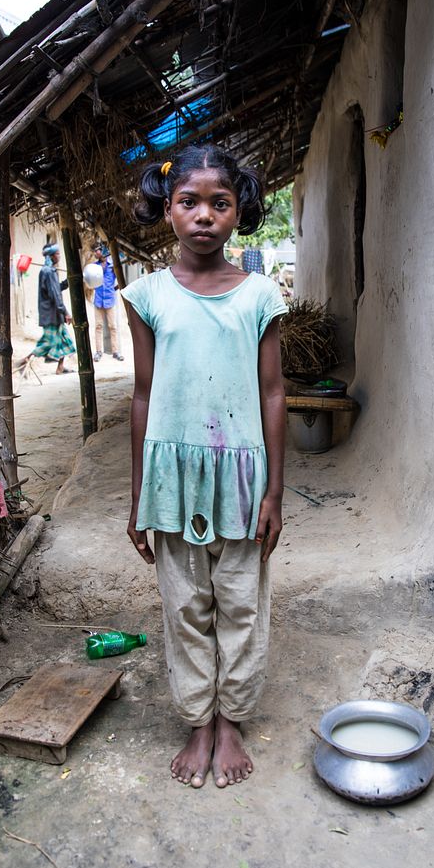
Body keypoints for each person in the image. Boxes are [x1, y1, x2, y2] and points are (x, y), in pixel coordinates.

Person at [122, 145, 287, 789]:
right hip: (174, 479)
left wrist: (276, 489)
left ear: (238, 211)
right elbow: (142, 395)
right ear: (168, 211)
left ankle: (232, 718)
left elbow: (273, 392)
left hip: (243, 478)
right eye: (189, 202)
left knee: (242, 601)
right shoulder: (147, 297)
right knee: (185, 601)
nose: (204, 216)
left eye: (220, 203)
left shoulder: (260, 295)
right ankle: (199, 718)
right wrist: (139, 495)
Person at [20, 242, 75, 376]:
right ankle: (26, 360)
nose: (59, 256)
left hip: (54, 313)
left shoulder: (50, 271)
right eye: (57, 254)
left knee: (64, 340)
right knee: (49, 342)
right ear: (51, 256)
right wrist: (65, 312)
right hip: (51, 314)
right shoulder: (48, 272)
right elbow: (55, 296)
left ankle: (60, 367)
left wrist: (69, 281)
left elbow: (57, 288)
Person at [91, 241, 124, 362]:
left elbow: (120, 280)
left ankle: (115, 351)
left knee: (113, 326)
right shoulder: (94, 267)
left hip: (110, 299)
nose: (96, 252)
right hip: (98, 300)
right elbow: (90, 281)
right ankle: (99, 351)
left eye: (97, 250)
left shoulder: (112, 266)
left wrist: (112, 290)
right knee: (98, 326)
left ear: (103, 251)